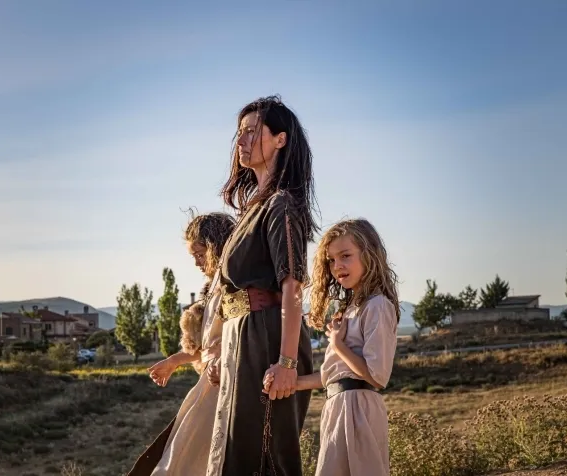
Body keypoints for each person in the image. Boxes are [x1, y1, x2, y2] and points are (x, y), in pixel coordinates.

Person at [205, 95, 318, 476]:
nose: (241, 140)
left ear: (280, 140)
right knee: (238, 456)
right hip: (243, 337)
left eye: (252, 132)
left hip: (268, 340)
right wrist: (222, 349)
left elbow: (292, 288)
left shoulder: (281, 204)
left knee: (266, 460)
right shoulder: (252, 208)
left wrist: (287, 363)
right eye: (240, 132)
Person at [264, 218, 400, 476]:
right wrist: (286, 382)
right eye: (331, 260)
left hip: (358, 409)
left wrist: (337, 345)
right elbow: (334, 376)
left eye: (345, 256)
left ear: (369, 254)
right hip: (338, 406)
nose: (337, 266)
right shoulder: (351, 309)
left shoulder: (378, 305)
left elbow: (377, 376)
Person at [127, 211, 236, 476]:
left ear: (216, 247)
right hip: (210, 381)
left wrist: (223, 361)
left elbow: (239, 337)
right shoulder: (212, 289)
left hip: (227, 381)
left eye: (200, 254)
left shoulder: (235, 285)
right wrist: (175, 360)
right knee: (183, 457)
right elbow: (208, 346)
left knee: (191, 460)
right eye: (193, 256)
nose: (197, 263)